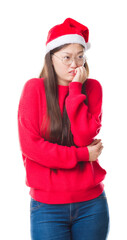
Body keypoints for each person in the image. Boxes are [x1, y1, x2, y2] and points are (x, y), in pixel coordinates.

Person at [17, 18, 110, 240]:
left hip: (92, 205)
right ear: (51, 58)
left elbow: (83, 136)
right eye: (66, 57)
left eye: (80, 56)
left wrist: (76, 89)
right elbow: (33, 148)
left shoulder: (92, 88)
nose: (75, 64)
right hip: (47, 207)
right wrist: (83, 154)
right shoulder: (34, 89)